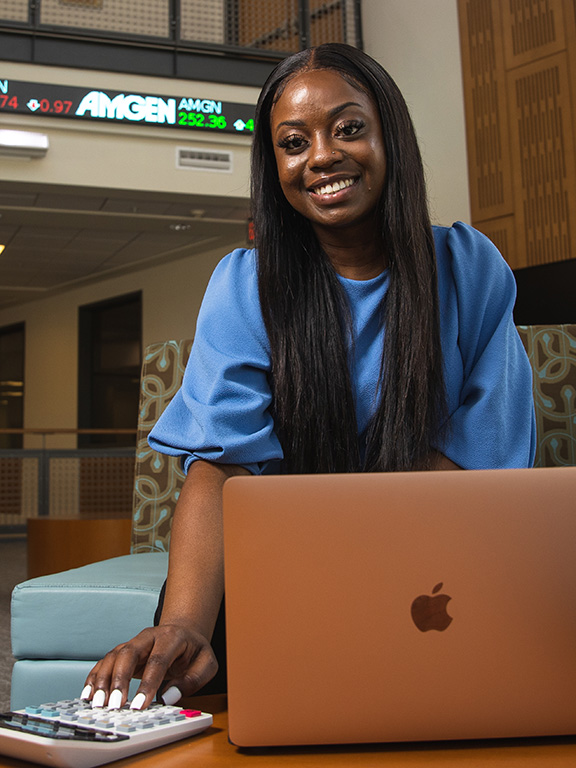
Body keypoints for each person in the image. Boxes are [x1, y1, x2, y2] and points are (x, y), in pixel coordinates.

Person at [80, 43, 536, 711]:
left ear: (391, 138)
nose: (321, 156)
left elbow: (482, 465)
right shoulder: (246, 286)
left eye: (349, 127)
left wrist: (358, 573)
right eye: (294, 142)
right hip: (290, 583)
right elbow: (221, 467)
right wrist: (182, 624)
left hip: (438, 574)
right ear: (276, 167)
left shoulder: (470, 268)